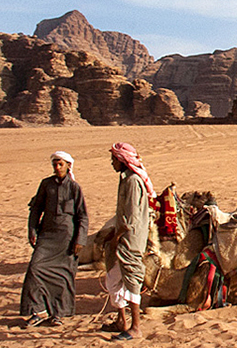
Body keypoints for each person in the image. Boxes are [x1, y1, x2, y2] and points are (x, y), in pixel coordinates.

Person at [20, 151, 88, 328]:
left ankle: (58, 314)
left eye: (61, 164)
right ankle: (37, 311)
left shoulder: (74, 188)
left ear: (68, 166)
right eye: (55, 164)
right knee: (35, 269)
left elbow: (83, 216)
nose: (57, 167)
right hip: (47, 236)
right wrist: (32, 230)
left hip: (67, 239)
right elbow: (36, 209)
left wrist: (80, 239)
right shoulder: (46, 185)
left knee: (62, 277)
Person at [104, 142, 155, 341]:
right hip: (123, 236)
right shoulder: (125, 179)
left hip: (130, 238)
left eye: (114, 160)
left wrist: (117, 236)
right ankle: (121, 321)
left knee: (132, 279)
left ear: (122, 160)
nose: (112, 164)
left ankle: (135, 327)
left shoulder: (133, 181)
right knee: (114, 277)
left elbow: (131, 217)